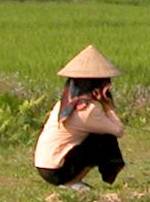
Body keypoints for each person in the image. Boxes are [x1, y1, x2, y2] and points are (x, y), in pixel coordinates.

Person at [34, 45, 127, 189]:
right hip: (57, 169)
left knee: (98, 137)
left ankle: (72, 180)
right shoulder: (88, 110)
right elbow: (118, 130)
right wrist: (108, 106)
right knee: (105, 140)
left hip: (44, 165)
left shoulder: (66, 104)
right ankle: (71, 182)